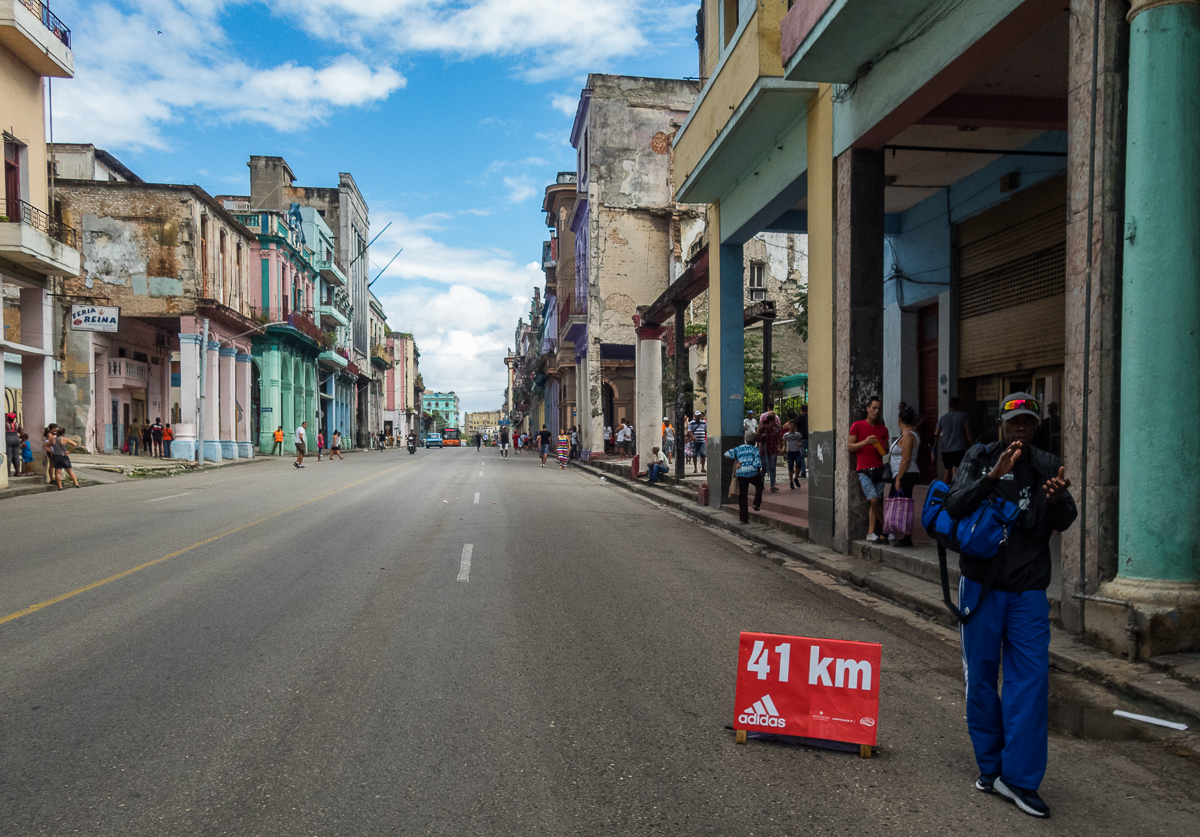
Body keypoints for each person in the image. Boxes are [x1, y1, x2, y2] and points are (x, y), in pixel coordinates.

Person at [945, 392, 1075, 819]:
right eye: (1014, 422)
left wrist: (1056, 500)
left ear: (1036, 426)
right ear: (1002, 425)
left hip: (1028, 590)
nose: (1020, 428)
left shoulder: (1045, 464)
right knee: (980, 677)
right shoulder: (980, 457)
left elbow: (1064, 519)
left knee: (1031, 681)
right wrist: (991, 477)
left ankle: (1018, 778)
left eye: (1028, 422)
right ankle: (990, 767)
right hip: (981, 587)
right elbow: (954, 505)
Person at [848, 395, 890, 542]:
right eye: (874, 408)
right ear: (867, 408)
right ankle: (887, 527)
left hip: (879, 469)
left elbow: (886, 451)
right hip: (863, 470)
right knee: (873, 500)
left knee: (876, 502)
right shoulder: (857, 426)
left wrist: (879, 444)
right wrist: (865, 441)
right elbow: (850, 446)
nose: (876, 411)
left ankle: (870, 532)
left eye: (879, 408)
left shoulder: (883, 429)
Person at [887, 406, 921, 547]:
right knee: (900, 503)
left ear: (899, 420)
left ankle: (903, 536)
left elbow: (906, 459)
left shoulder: (908, 435)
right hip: (905, 473)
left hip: (905, 474)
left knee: (898, 503)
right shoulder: (911, 434)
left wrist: (898, 479)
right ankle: (894, 533)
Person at [724, 432, 764, 524]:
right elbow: (757, 463)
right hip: (752, 472)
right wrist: (757, 472)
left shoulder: (739, 448)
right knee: (759, 485)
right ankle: (756, 503)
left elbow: (727, 454)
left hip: (741, 473)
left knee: (743, 496)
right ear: (755, 441)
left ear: (746, 440)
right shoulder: (755, 449)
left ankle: (743, 518)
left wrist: (736, 461)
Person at [935, 397, 974, 483]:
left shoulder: (942, 418)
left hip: (946, 449)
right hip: (959, 448)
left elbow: (936, 434)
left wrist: (933, 450)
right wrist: (972, 445)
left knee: (947, 471)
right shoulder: (964, 416)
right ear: (959, 405)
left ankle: (945, 490)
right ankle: (955, 489)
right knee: (956, 469)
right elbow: (968, 433)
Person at [757, 411, 781, 492]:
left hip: (773, 449)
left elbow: (777, 439)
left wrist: (778, 447)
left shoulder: (775, 429)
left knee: (772, 467)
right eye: (774, 421)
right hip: (765, 449)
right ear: (771, 421)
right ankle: (760, 482)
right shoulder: (763, 428)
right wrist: (762, 437)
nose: (775, 422)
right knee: (765, 467)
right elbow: (758, 438)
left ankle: (772, 485)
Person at [782, 420, 805, 490]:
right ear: (788, 426)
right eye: (790, 425)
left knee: (798, 465)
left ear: (795, 427)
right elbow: (785, 443)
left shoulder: (798, 434)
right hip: (790, 452)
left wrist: (800, 444)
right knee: (790, 468)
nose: (791, 426)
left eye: (793, 425)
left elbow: (800, 441)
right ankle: (791, 481)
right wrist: (783, 449)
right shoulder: (786, 435)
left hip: (797, 451)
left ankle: (796, 478)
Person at [5, 412, 22, 477]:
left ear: (8, 418)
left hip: (8, 439)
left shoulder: (6, 424)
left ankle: (8, 473)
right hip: (16, 438)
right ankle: (17, 472)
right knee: (16, 456)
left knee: (9, 456)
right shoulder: (17, 424)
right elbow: (22, 433)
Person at [796, 403, 809, 478]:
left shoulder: (799, 418)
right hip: (810, 437)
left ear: (801, 410)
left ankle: (803, 472)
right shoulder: (809, 417)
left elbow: (796, 428)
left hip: (802, 438)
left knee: (802, 456)